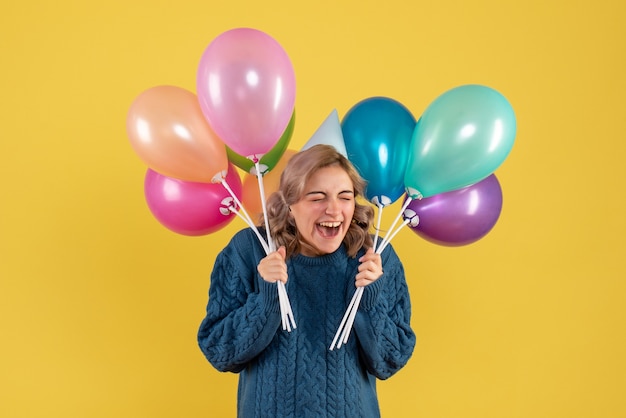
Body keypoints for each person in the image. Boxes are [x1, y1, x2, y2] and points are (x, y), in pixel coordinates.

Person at [198, 144, 416, 417]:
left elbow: (389, 360)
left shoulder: (376, 257)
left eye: (345, 197)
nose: (334, 210)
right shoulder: (249, 249)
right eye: (317, 198)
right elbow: (220, 352)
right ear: (290, 206)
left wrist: (369, 302)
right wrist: (266, 301)